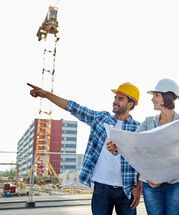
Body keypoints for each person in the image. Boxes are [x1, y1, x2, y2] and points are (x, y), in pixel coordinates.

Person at [27, 82, 142, 215]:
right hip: (101, 188)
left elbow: (141, 161)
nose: (115, 101)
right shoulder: (100, 119)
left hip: (127, 190)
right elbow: (73, 107)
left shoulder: (138, 128)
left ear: (130, 104)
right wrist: (46, 95)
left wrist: (139, 187)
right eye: (115, 98)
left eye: (120, 99)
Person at [106, 78, 179, 215]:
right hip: (151, 184)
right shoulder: (148, 122)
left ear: (167, 96)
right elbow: (132, 145)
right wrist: (116, 148)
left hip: (177, 185)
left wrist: (161, 176)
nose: (152, 99)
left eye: (156, 95)